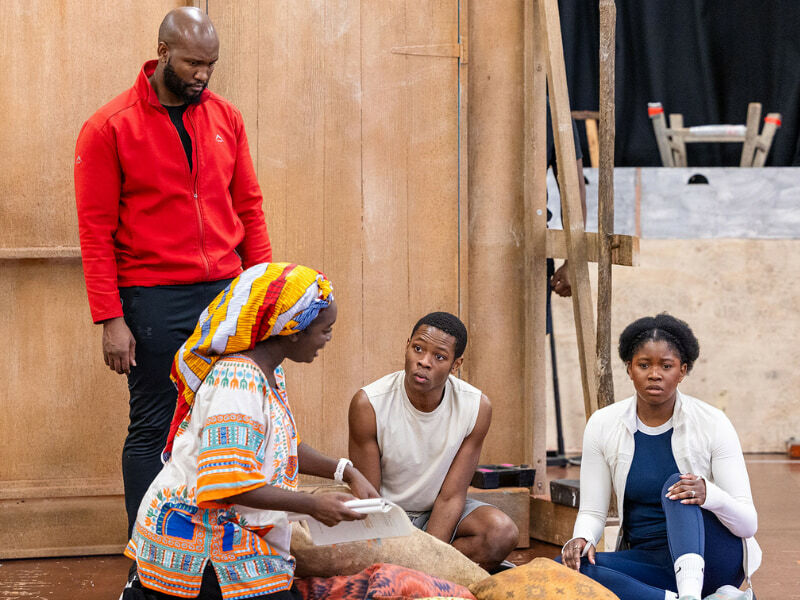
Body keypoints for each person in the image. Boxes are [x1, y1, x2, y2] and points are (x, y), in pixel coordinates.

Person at [74, 6, 273, 536]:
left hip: (227, 293)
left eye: (210, 64)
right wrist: (110, 319)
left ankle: (217, 551)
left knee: (229, 421)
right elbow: (95, 232)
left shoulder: (226, 118)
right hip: (153, 298)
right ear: (162, 53)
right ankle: (147, 555)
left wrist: (265, 293)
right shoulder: (108, 127)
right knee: (154, 426)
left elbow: (249, 208)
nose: (202, 75)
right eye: (191, 63)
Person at [123, 262, 379, 600]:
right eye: (325, 329)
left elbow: (284, 446)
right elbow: (228, 483)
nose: (329, 338)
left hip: (234, 534)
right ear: (294, 329)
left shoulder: (268, 373)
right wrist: (312, 506)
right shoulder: (236, 384)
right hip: (201, 550)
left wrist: (345, 471)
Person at [560, 314, 761, 600]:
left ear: (682, 371)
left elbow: (748, 523)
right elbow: (593, 512)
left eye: (666, 366)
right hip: (648, 559)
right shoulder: (603, 424)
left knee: (677, 484)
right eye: (644, 365)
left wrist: (708, 494)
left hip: (713, 559)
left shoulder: (713, 422)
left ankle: (691, 594)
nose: (655, 374)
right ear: (629, 368)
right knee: (565, 571)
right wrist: (582, 538)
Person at [348, 312, 519, 571]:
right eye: (418, 349)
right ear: (407, 346)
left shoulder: (476, 407)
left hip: (438, 515)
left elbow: (451, 497)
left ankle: (420, 576)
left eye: (439, 357)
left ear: (456, 364)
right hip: (387, 516)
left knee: (501, 532)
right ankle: (443, 574)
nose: (424, 362)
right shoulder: (369, 403)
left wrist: (427, 559)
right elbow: (370, 500)